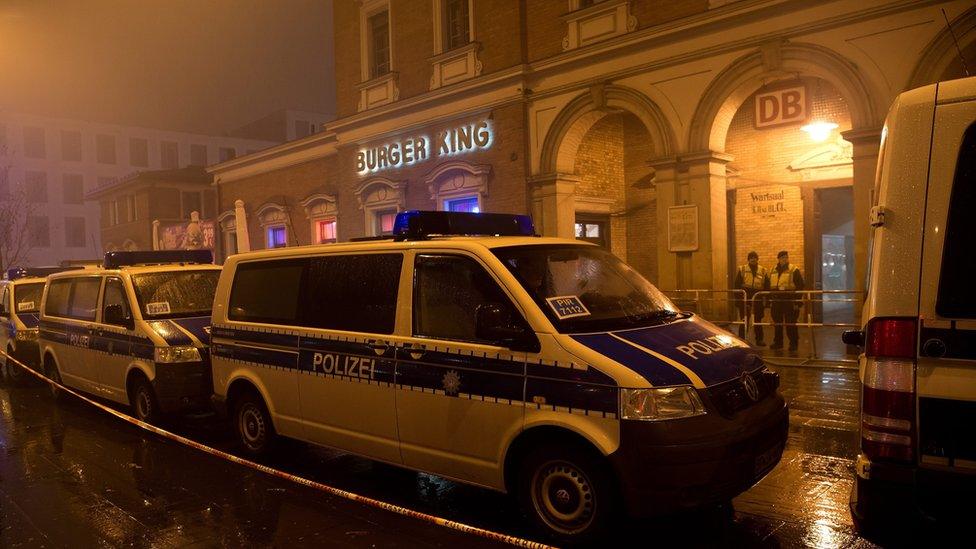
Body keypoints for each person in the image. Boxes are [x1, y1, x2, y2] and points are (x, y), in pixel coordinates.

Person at [768, 250, 805, 351]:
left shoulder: (794, 269)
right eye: (783, 257)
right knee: (777, 323)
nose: (785, 259)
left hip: (789, 301)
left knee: (790, 323)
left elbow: (800, 286)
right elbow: (767, 286)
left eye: (786, 257)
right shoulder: (772, 270)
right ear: (779, 259)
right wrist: (768, 300)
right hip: (776, 301)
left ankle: (793, 343)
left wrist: (798, 302)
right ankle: (778, 343)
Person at [733, 251, 768, 346]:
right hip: (745, 299)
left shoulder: (763, 271)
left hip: (758, 299)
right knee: (744, 319)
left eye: (755, 257)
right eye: (751, 257)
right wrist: (739, 301)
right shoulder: (742, 269)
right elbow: (737, 286)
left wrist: (766, 302)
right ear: (748, 259)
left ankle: (759, 340)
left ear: (757, 259)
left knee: (757, 321)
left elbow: (767, 287)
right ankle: (741, 339)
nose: (753, 259)